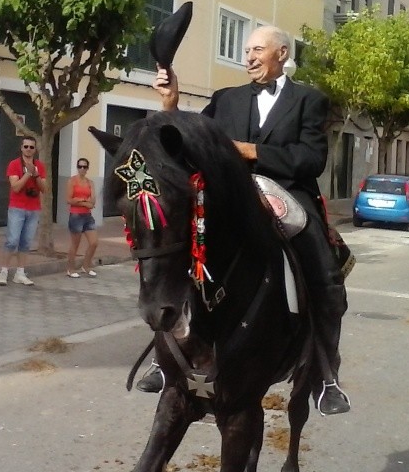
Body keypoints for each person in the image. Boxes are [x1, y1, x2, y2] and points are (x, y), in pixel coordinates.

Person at [149, 25, 350, 415]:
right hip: (233, 194)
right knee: (177, 252)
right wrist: (171, 106)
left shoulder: (309, 100)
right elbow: (190, 139)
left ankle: (327, 375)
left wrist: (249, 150)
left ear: (282, 53)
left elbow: (311, 159)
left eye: (258, 49)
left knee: (324, 272)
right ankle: (164, 358)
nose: (249, 57)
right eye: (246, 51)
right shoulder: (225, 99)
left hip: (288, 194)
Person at [0, 136, 45, 287]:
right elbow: (16, 187)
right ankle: (3, 272)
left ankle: (20, 273)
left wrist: (36, 175)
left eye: (32, 147)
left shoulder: (40, 166)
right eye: (26, 147)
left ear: (35, 149)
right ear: (21, 148)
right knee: (12, 241)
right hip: (17, 208)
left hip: (33, 208)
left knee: (26, 242)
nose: (29, 150)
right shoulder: (14, 165)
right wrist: (27, 174)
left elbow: (44, 189)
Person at [65, 158, 98, 278]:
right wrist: (84, 201)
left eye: (84, 167)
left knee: (94, 242)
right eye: (80, 166)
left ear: (88, 168)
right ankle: (70, 269)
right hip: (76, 215)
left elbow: (93, 201)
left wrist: (79, 200)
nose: (82, 169)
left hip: (87, 216)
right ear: (77, 167)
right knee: (75, 244)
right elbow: (69, 199)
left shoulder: (90, 183)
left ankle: (86, 266)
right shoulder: (72, 181)